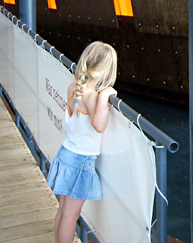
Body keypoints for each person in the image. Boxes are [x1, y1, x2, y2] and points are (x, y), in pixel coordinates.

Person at [48, 41, 118, 243]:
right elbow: (99, 125)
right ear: (107, 70)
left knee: (63, 211)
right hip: (80, 162)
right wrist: (104, 96)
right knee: (71, 215)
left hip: (66, 153)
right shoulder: (93, 96)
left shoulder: (75, 87)